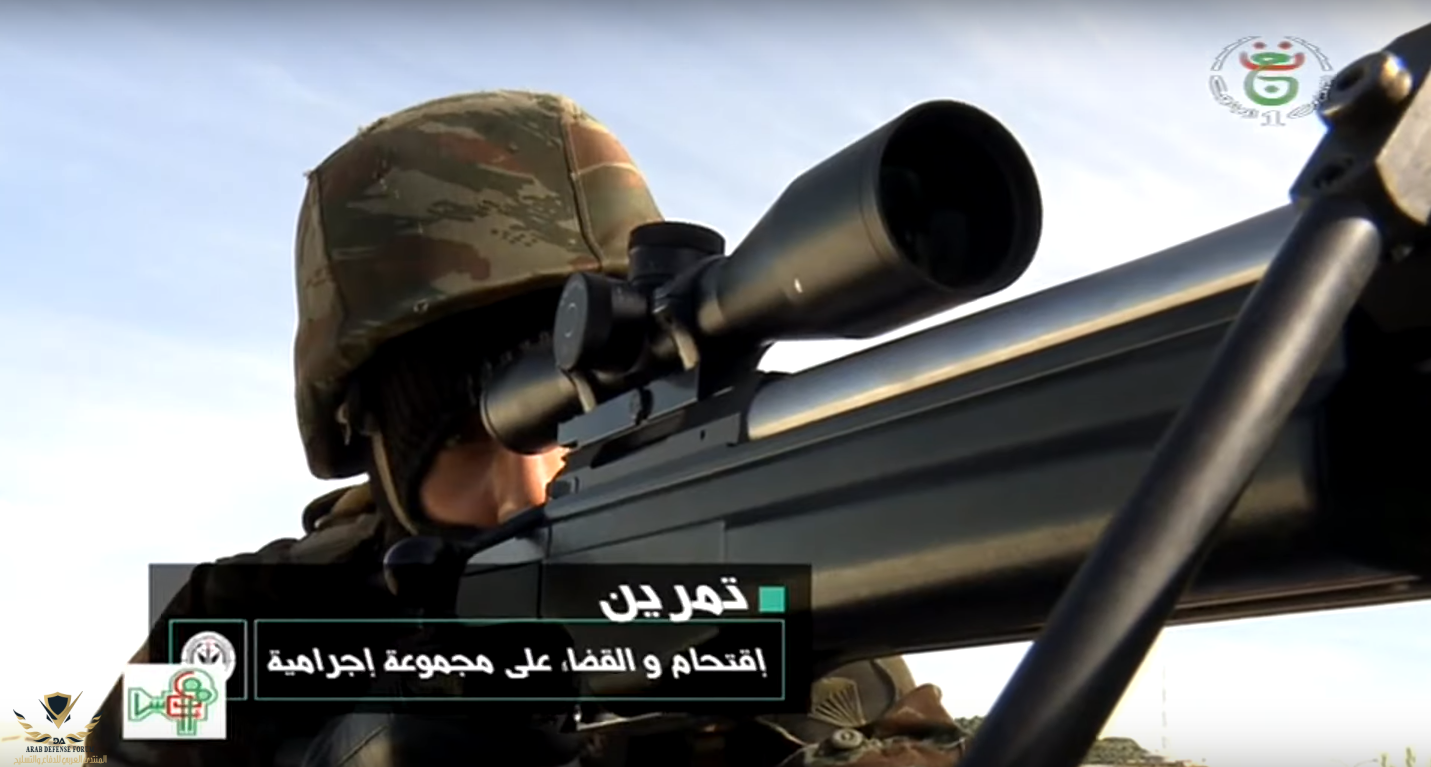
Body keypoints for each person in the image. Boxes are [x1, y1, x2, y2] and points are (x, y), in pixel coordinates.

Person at [82, 90, 951, 767]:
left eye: (574, 422)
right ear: (373, 448)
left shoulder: (757, 600)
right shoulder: (239, 622)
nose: (526, 491)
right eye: (464, 440)